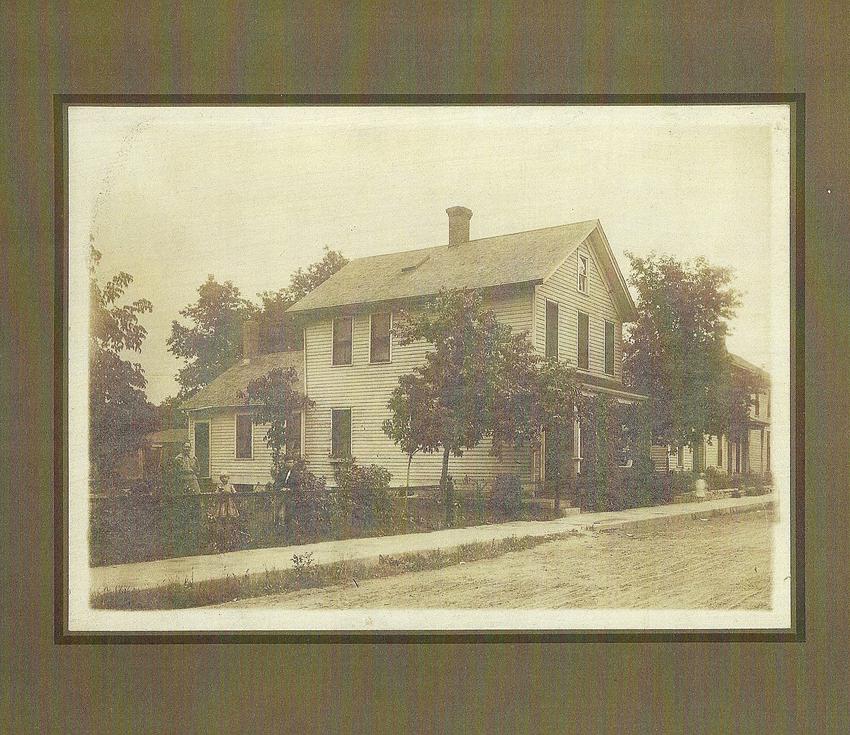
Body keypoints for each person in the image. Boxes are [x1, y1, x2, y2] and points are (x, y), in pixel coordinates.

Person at [213, 473, 240, 551]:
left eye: (225, 477)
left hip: (229, 502)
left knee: (230, 515)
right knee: (222, 515)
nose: (224, 479)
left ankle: (230, 526)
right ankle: (223, 523)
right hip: (222, 503)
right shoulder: (220, 486)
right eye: (222, 477)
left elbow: (235, 493)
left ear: (228, 478)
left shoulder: (230, 486)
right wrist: (220, 492)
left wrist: (231, 493)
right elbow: (216, 493)